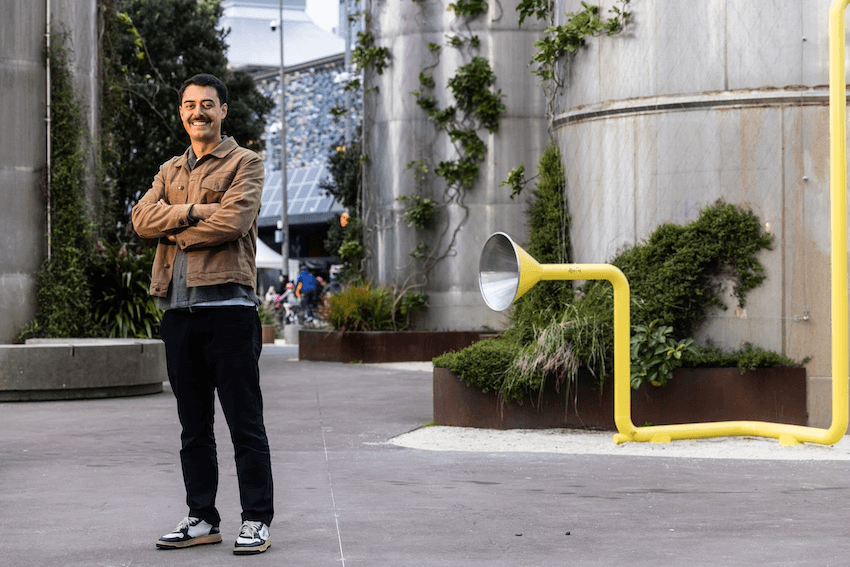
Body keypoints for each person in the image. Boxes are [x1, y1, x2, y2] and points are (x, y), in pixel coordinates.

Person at [131, 73, 273, 555]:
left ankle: (256, 519)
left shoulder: (245, 162)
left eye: (207, 105)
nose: (198, 112)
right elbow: (140, 219)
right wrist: (195, 211)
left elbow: (233, 221)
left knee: (244, 422)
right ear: (181, 113)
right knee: (193, 427)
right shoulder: (169, 169)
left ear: (223, 111)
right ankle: (201, 517)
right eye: (190, 105)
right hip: (178, 311)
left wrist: (174, 224)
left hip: (230, 311)